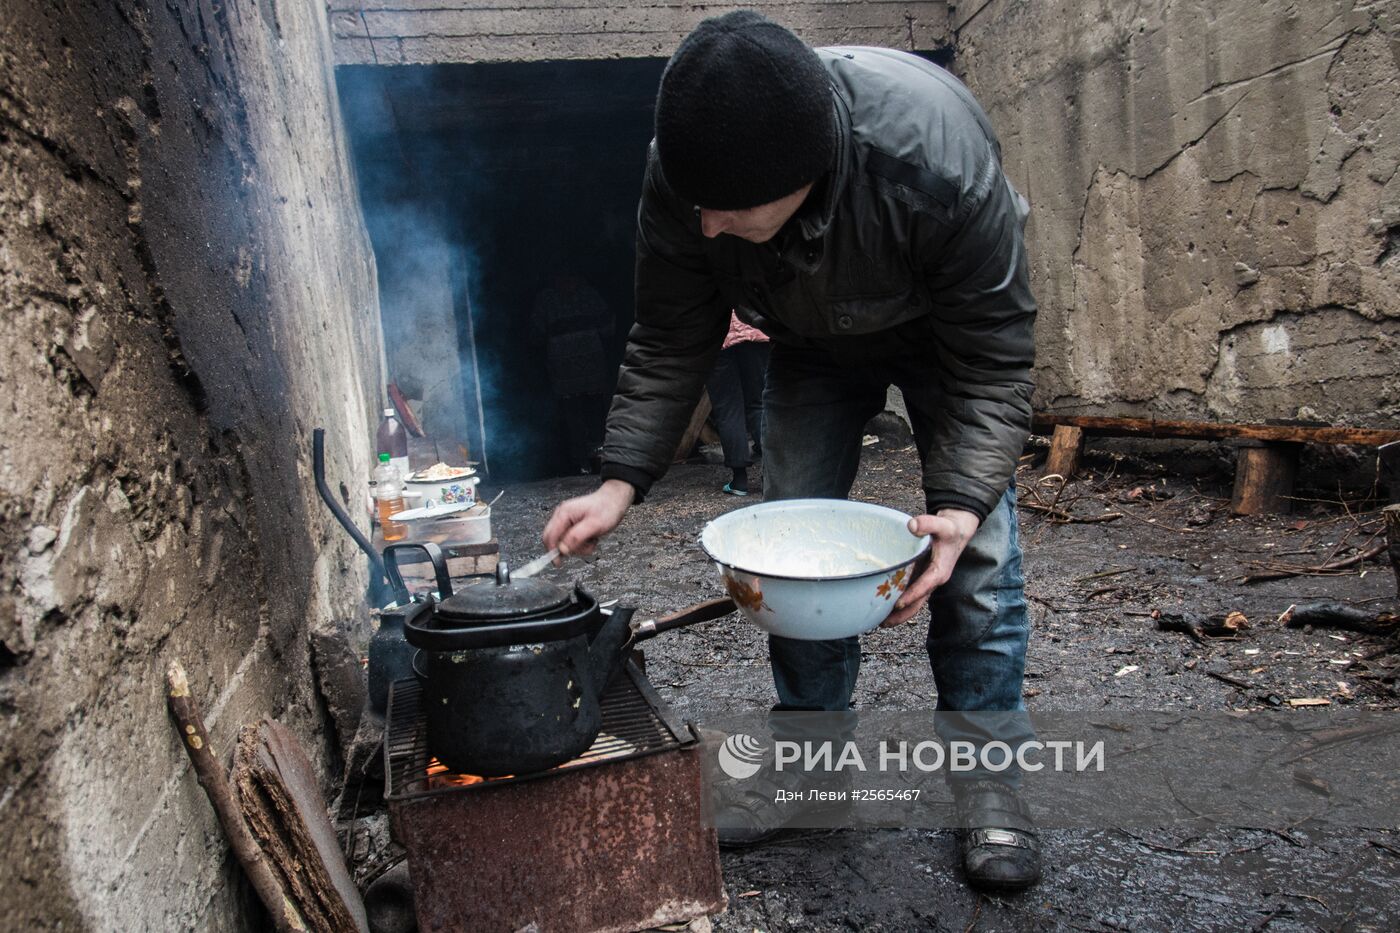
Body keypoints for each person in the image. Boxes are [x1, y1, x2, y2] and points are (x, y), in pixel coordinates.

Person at [542, 12, 1039, 891]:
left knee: (981, 563)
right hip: (808, 345)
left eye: (728, 212)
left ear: (804, 176)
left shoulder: (934, 161)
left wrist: (960, 506)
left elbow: (995, 351)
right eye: (696, 206)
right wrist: (621, 481)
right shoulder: (690, 173)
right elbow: (669, 334)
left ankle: (990, 785)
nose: (704, 227)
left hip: (946, 341)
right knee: (791, 562)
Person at [530, 273, 615, 473]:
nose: (566, 280)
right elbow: (536, 334)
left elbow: (608, 327)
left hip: (592, 367)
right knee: (572, 417)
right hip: (563, 371)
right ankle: (580, 463)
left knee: (595, 413)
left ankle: (600, 459)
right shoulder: (546, 300)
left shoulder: (588, 295)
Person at [706, 311, 770, 495]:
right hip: (752, 331)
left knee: (727, 407)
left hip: (716, 338)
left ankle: (740, 481)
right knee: (759, 404)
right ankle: (771, 477)